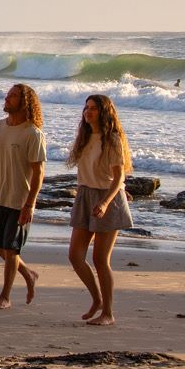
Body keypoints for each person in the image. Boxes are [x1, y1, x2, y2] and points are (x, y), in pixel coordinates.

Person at [66, 94, 134, 326]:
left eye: (94, 108)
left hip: (107, 198)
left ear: (104, 112)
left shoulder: (112, 139)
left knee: (100, 259)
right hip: (85, 195)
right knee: (75, 256)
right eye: (86, 108)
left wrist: (105, 203)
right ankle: (96, 299)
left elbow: (119, 177)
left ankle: (108, 312)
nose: (88, 112)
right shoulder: (85, 137)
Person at [0, 83, 46, 309]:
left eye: (13, 96)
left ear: (25, 102)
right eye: (7, 95)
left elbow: (38, 171)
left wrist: (30, 204)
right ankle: (28, 273)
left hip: (20, 199)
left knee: (11, 249)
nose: (7, 99)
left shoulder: (32, 133)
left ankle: (5, 297)